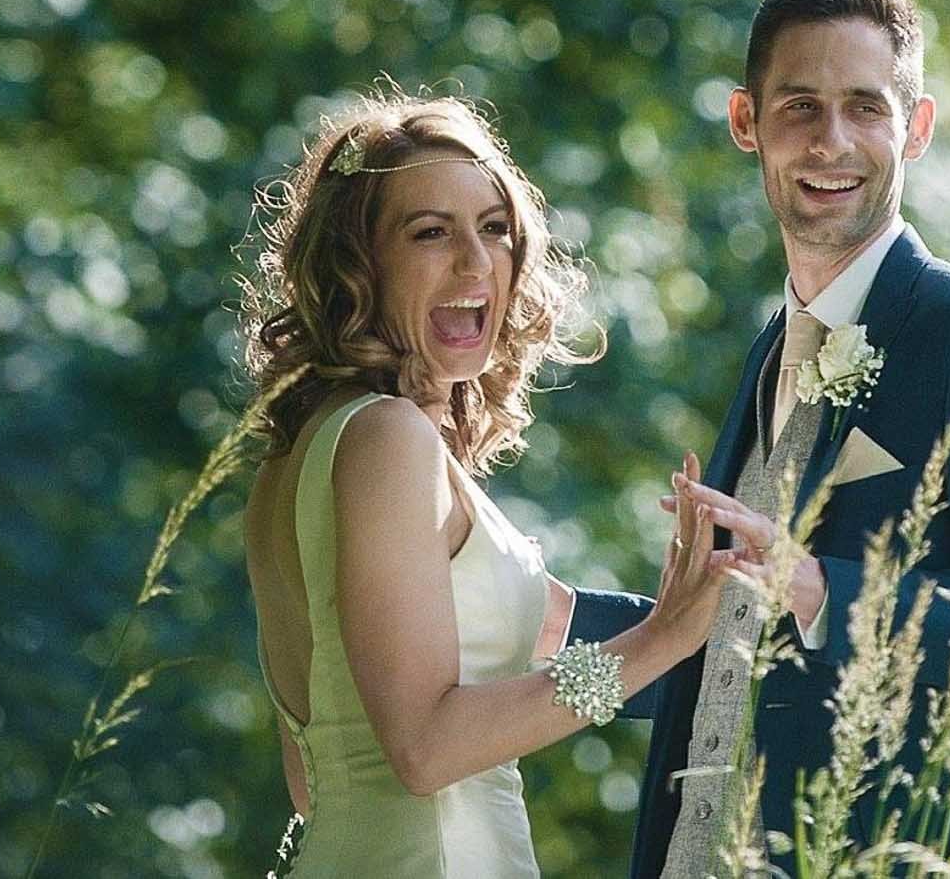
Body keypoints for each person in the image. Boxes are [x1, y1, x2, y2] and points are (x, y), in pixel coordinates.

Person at [625, 0, 950, 879]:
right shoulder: (773, 347)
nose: (831, 141)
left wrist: (822, 589)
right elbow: (735, 643)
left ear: (916, 128)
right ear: (746, 124)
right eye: (799, 107)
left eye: (866, 107)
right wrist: (555, 619)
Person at [240, 93, 743, 878]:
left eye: (495, 229)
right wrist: (663, 639)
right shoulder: (386, 438)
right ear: (358, 262)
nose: (476, 263)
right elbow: (423, 749)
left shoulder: (301, 455)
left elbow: (315, 781)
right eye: (430, 232)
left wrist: (737, 630)